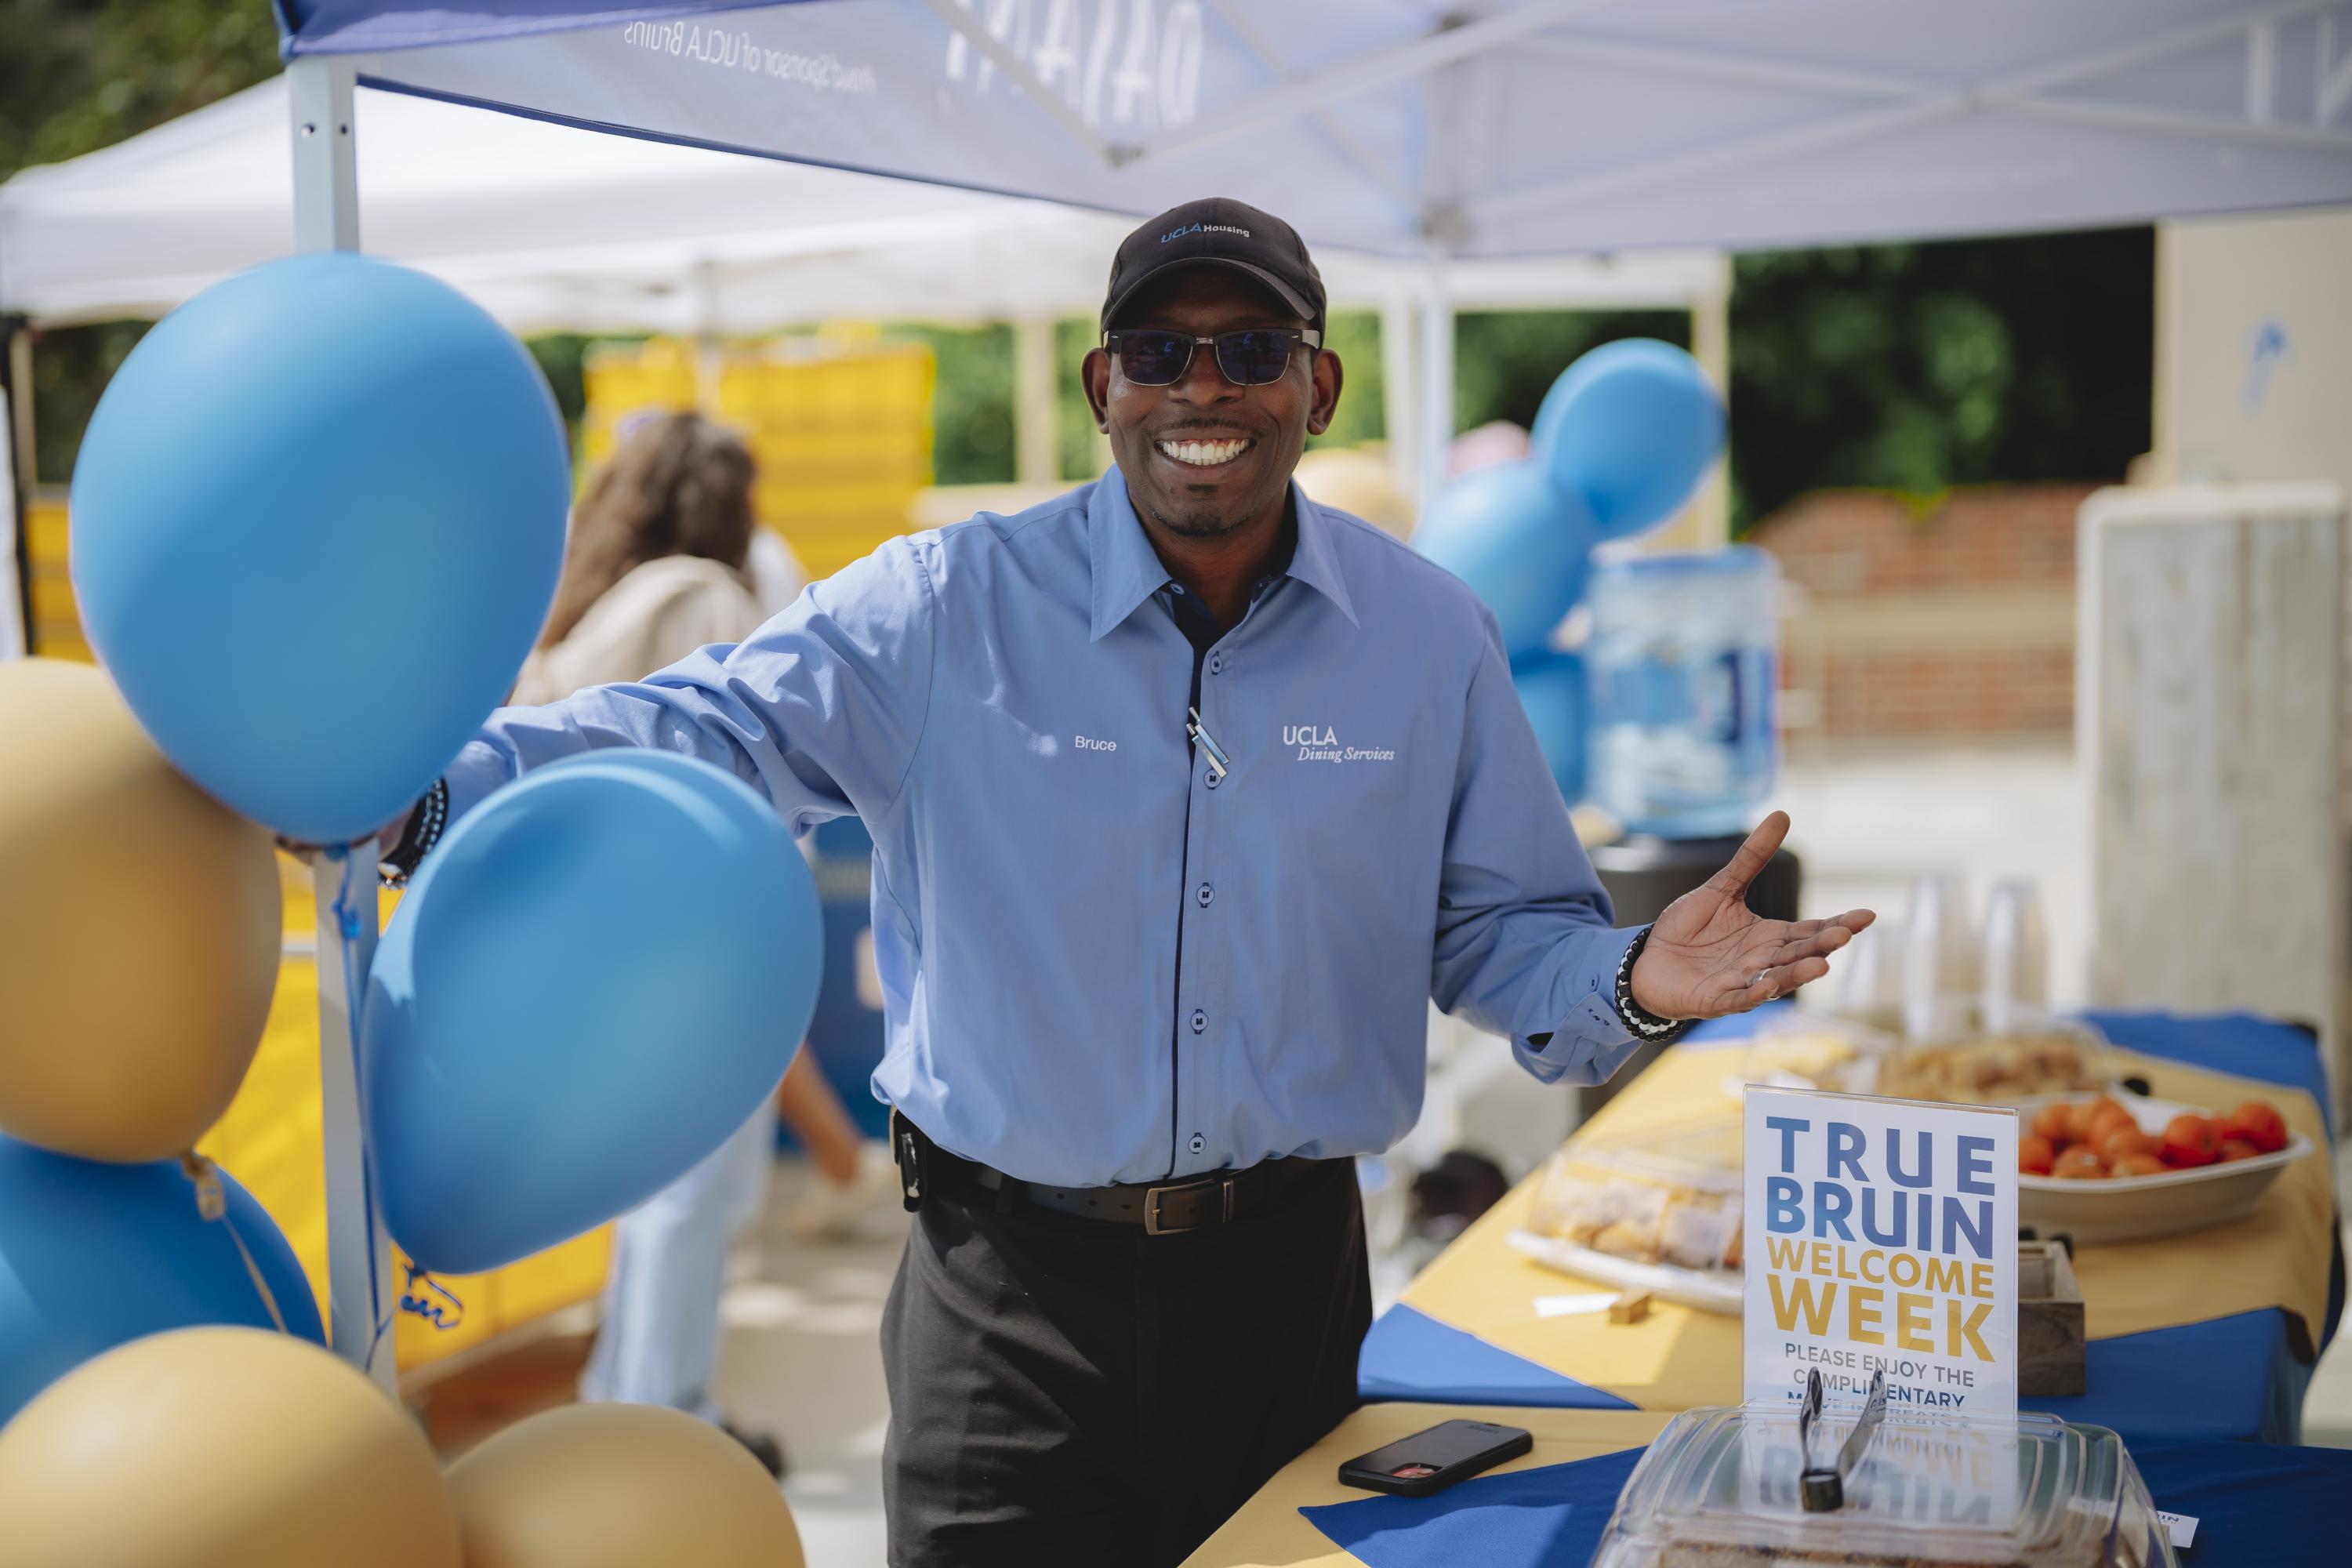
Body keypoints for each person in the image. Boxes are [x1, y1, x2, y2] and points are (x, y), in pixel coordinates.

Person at [377, 198, 1871, 1566]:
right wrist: (432, 786)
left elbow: (1501, 938)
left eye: (1248, 350)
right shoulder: (941, 609)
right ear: (1104, 388)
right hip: (1001, 1304)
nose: (1203, 389)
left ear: (1318, 386)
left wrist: (1628, 978)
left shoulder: (1433, 638)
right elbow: (696, 727)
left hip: (1287, 1300)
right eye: (1161, 351)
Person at [510, 412, 884, 1475]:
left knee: (662, 1189)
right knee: (698, 1191)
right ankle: (669, 1416)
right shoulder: (705, 600)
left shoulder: (610, 601)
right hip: (695, 938)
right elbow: (736, 770)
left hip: (616, 933)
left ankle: (636, 1399)